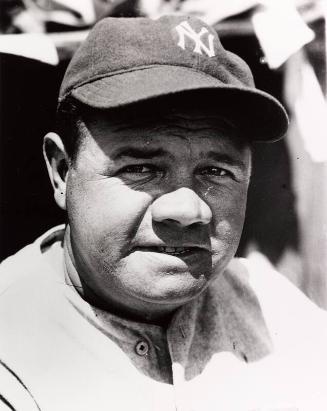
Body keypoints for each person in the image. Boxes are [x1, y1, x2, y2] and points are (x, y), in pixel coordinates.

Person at [0, 15, 327, 411]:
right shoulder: (12, 347)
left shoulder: (270, 303)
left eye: (216, 172)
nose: (187, 210)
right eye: (141, 168)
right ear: (62, 172)